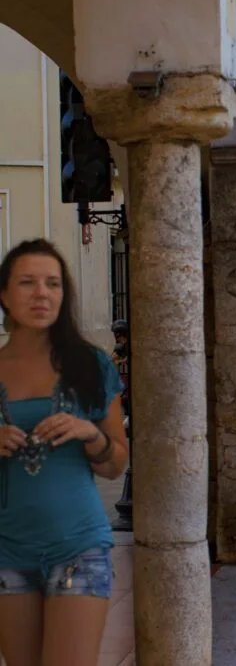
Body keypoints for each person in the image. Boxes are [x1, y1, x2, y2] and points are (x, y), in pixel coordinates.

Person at [0, 239, 128, 666]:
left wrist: (89, 433)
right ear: (4, 294)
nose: (42, 293)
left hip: (78, 547)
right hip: (6, 551)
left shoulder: (90, 366)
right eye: (28, 282)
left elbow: (116, 465)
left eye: (52, 283)